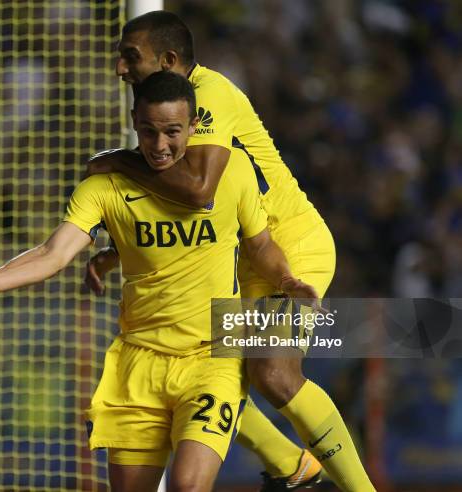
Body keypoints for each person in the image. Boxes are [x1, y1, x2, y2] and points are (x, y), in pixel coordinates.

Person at [0, 71, 320, 492]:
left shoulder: (230, 173)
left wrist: (287, 280)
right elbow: (52, 255)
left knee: (187, 485)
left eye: (172, 132)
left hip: (211, 359)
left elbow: (260, 246)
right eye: (148, 131)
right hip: (137, 362)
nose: (159, 145)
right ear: (133, 122)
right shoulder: (104, 188)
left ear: (194, 125)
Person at [85, 11, 376, 492]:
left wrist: (115, 161)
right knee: (200, 368)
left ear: (170, 59)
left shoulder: (210, 95)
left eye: (130, 56)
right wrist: (116, 252)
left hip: (287, 246)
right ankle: (292, 464)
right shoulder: (163, 110)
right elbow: (177, 208)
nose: (120, 67)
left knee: (272, 370)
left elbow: (199, 190)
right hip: (236, 258)